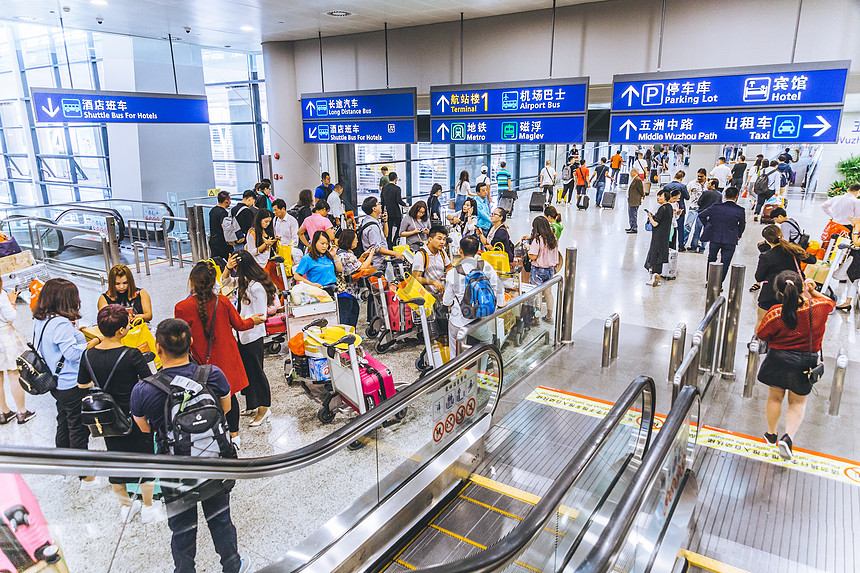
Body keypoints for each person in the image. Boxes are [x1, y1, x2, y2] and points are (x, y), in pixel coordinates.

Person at [130, 318, 249, 573]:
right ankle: (232, 565)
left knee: (182, 530)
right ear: (190, 343)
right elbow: (225, 409)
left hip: (175, 471)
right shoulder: (212, 374)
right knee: (221, 521)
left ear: (158, 348)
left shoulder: (143, 390)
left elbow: (144, 428)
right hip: (214, 464)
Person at [78, 304, 161, 523]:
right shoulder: (131, 354)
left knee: (115, 459)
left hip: (106, 417)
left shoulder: (88, 355)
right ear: (121, 331)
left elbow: (82, 384)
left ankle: (126, 506)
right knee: (145, 460)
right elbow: (149, 383)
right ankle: (149, 508)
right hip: (133, 414)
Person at [174, 262, 263, 447]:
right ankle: (234, 434)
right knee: (228, 396)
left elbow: (180, 337)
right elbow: (239, 325)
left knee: (204, 398)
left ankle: (210, 431)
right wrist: (253, 321)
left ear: (192, 282)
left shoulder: (181, 307)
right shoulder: (222, 301)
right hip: (226, 359)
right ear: (213, 282)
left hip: (200, 363)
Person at [757, 271, 834, 460]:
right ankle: (788, 438)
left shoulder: (776, 313)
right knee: (797, 402)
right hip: (805, 361)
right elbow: (831, 304)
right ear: (801, 287)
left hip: (777, 359)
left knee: (775, 398)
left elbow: (762, 333)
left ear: (780, 293)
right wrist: (813, 292)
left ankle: (771, 434)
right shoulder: (818, 307)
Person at [33, 279, 101, 486]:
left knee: (63, 421)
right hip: (71, 383)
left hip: (56, 383)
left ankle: (63, 467)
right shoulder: (60, 324)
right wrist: (91, 344)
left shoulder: (41, 319)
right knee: (78, 428)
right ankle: (86, 476)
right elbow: (72, 355)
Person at [223, 251, 277, 427]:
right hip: (242, 334)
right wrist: (226, 268)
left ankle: (264, 407)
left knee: (256, 372)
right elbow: (223, 284)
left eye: (235, 268)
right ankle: (252, 404)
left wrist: (241, 322)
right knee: (247, 372)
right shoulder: (243, 283)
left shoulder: (256, 287)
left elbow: (260, 315)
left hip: (252, 335)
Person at [442, 235, 504, 356]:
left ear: (460, 251)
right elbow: (498, 287)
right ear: (477, 250)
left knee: (454, 348)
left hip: (459, 321)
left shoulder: (452, 273)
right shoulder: (485, 265)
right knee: (487, 341)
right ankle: (481, 369)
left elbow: (447, 302)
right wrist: (501, 303)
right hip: (478, 319)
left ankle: (455, 372)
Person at [754, 225, 818, 326]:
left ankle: (757, 340)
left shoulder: (766, 255)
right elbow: (813, 260)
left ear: (766, 239)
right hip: (794, 293)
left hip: (770, 294)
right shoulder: (793, 250)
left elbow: (759, 277)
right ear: (781, 235)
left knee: (762, 321)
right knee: (788, 323)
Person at [360, 197, 404, 320]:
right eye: (378, 204)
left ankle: (374, 319)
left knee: (376, 292)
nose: (380, 206)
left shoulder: (373, 221)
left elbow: (385, 235)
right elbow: (377, 248)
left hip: (376, 263)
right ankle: (375, 320)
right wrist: (394, 253)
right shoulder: (372, 226)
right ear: (374, 208)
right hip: (376, 264)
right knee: (376, 293)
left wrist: (385, 221)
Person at [0, 277, 32, 425]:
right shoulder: (1, 294)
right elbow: (10, 316)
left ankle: (4, 412)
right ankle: (22, 412)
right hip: (5, 337)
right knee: (14, 375)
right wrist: (12, 300)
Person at [698, 186, 746, 283]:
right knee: (725, 262)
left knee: (711, 258)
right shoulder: (740, 210)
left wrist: (708, 225)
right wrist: (739, 234)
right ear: (737, 196)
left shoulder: (716, 207)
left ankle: (709, 281)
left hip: (715, 237)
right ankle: (719, 283)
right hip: (731, 239)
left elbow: (701, 215)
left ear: (725, 195)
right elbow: (742, 225)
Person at [335, 230, 374, 326]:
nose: (357, 241)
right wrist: (371, 254)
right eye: (355, 239)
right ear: (349, 241)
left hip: (349, 291)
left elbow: (354, 265)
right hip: (345, 291)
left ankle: (352, 338)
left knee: (353, 313)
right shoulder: (346, 255)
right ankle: (347, 338)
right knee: (346, 318)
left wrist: (364, 255)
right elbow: (362, 266)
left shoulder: (345, 252)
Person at [527, 216, 559, 323]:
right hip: (550, 270)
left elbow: (533, 256)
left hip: (538, 270)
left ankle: (537, 318)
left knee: (538, 294)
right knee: (548, 293)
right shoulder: (553, 238)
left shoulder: (538, 240)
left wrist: (528, 249)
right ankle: (549, 316)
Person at [643, 190, 674, 286]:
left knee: (655, 255)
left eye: (660, 196)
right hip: (665, 236)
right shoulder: (669, 207)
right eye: (658, 196)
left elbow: (655, 223)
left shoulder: (662, 208)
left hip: (658, 236)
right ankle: (658, 277)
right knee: (660, 256)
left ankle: (653, 276)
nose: (658, 197)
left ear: (666, 197)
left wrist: (650, 216)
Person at [413, 226, 452, 295]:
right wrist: (433, 282)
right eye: (439, 239)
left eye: (444, 239)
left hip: (442, 294)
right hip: (427, 297)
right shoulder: (421, 255)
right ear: (430, 239)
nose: (442, 242)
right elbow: (416, 278)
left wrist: (448, 274)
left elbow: (449, 266)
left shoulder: (442, 252)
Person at [691, 178, 723, 253]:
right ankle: (702, 248)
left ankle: (694, 247)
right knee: (706, 231)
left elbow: (699, 202)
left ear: (713, 185)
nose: (707, 185)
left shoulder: (705, 193)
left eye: (709, 184)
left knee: (697, 231)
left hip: (702, 213)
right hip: (712, 216)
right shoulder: (720, 195)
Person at [662, 171, 690, 251]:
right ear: (681, 178)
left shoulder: (666, 186)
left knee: (668, 227)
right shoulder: (682, 186)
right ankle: (681, 246)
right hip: (680, 209)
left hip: (668, 209)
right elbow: (687, 197)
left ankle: (667, 244)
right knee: (680, 228)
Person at [836, 229, 860, 311]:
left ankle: (847, 302)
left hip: (856, 258)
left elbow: (857, 243)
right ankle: (848, 302)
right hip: (855, 257)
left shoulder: (857, 225)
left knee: (852, 279)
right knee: (853, 280)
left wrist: (856, 228)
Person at [381, 172, 407, 247]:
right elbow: (398, 200)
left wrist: (382, 212)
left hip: (388, 211)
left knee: (389, 228)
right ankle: (395, 241)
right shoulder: (397, 189)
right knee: (399, 227)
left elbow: (382, 201)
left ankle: (389, 243)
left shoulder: (384, 188)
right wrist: (405, 204)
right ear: (396, 178)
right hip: (396, 211)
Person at [684, 169, 707, 252]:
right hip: (693, 208)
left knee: (698, 229)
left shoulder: (708, 184)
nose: (699, 178)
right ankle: (683, 243)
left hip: (703, 210)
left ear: (705, 176)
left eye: (701, 176)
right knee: (687, 226)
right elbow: (686, 192)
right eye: (698, 176)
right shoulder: (692, 183)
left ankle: (694, 245)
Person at [208, 191, 233, 260]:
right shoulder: (223, 212)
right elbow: (225, 227)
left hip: (213, 240)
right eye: (229, 199)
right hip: (221, 242)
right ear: (226, 201)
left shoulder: (213, 210)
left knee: (216, 261)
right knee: (230, 259)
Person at [626, 167, 646, 234]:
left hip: (634, 200)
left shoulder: (637, 179)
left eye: (632, 172)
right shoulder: (633, 179)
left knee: (633, 214)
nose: (631, 173)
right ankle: (631, 227)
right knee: (631, 214)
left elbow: (641, 188)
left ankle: (634, 228)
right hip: (631, 199)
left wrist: (643, 195)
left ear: (636, 172)